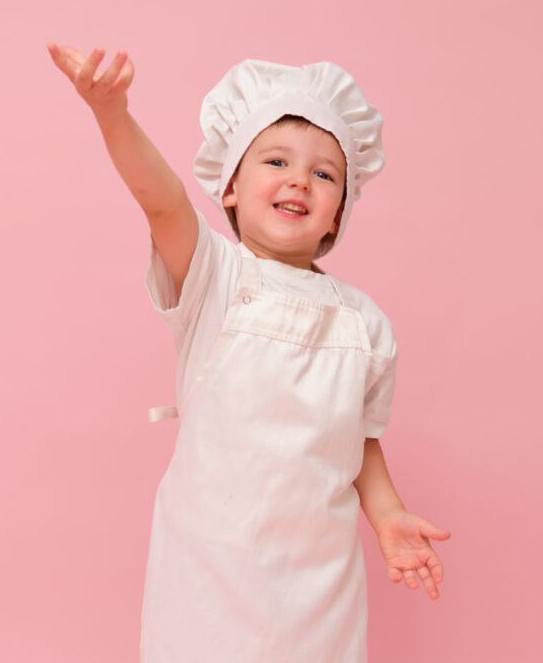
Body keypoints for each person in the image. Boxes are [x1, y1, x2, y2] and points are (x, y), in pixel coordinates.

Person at [47, 43, 451, 663]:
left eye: (324, 173)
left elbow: (360, 438)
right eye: (277, 160)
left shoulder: (366, 324)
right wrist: (112, 113)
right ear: (231, 185)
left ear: (337, 214)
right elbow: (160, 199)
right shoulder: (214, 276)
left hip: (318, 582)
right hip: (209, 568)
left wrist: (389, 514)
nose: (299, 179)